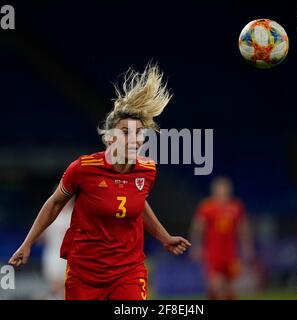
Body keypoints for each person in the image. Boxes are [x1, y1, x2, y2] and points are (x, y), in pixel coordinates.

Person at [9, 64, 191, 300]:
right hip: (85, 272)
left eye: (139, 133)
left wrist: (164, 237)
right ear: (109, 137)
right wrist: (28, 243)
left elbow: (138, 204)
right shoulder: (83, 169)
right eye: (126, 132)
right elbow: (54, 203)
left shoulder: (147, 170)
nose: (134, 139)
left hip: (128, 270)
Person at [190, 176, 254, 300]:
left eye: (226, 188)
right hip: (213, 256)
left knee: (229, 289)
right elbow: (197, 229)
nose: (224, 191)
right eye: (221, 189)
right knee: (217, 286)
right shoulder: (207, 207)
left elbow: (244, 230)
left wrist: (247, 248)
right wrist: (196, 247)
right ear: (215, 190)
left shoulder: (236, 207)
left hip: (231, 255)